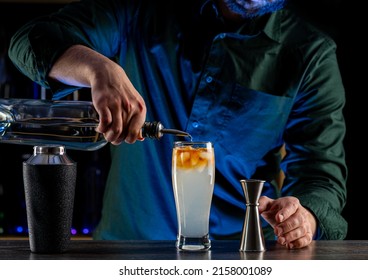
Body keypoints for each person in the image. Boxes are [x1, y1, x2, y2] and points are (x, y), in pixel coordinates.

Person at [8, 0, 347, 249]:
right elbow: (31, 39)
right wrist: (97, 68)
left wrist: (305, 217)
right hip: (125, 255)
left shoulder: (309, 54)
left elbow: (320, 177)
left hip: (239, 261)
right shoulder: (143, 9)